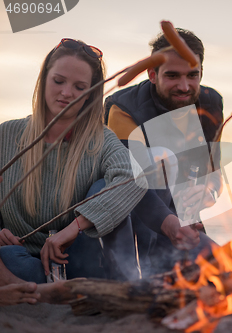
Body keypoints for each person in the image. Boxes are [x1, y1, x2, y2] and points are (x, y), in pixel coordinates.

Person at [0, 38, 146, 284]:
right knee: (6, 258)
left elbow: (134, 179)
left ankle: (116, 286)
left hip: (81, 261)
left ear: (91, 94)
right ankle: (54, 290)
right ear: (44, 79)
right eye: (58, 81)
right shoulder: (7, 134)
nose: (66, 93)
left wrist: (75, 227)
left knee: (102, 187)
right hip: (25, 260)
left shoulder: (101, 140)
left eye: (80, 87)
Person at [104, 28, 223, 274]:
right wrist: (170, 226)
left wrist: (207, 190)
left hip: (183, 221)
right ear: (152, 74)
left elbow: (213, 171)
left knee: (225, 268)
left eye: (193, 75)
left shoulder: (211, 104)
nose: (184, 86)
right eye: (172, 76)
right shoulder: (122, 108)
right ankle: (128, 279)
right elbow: (129, 181)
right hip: (130, 215)